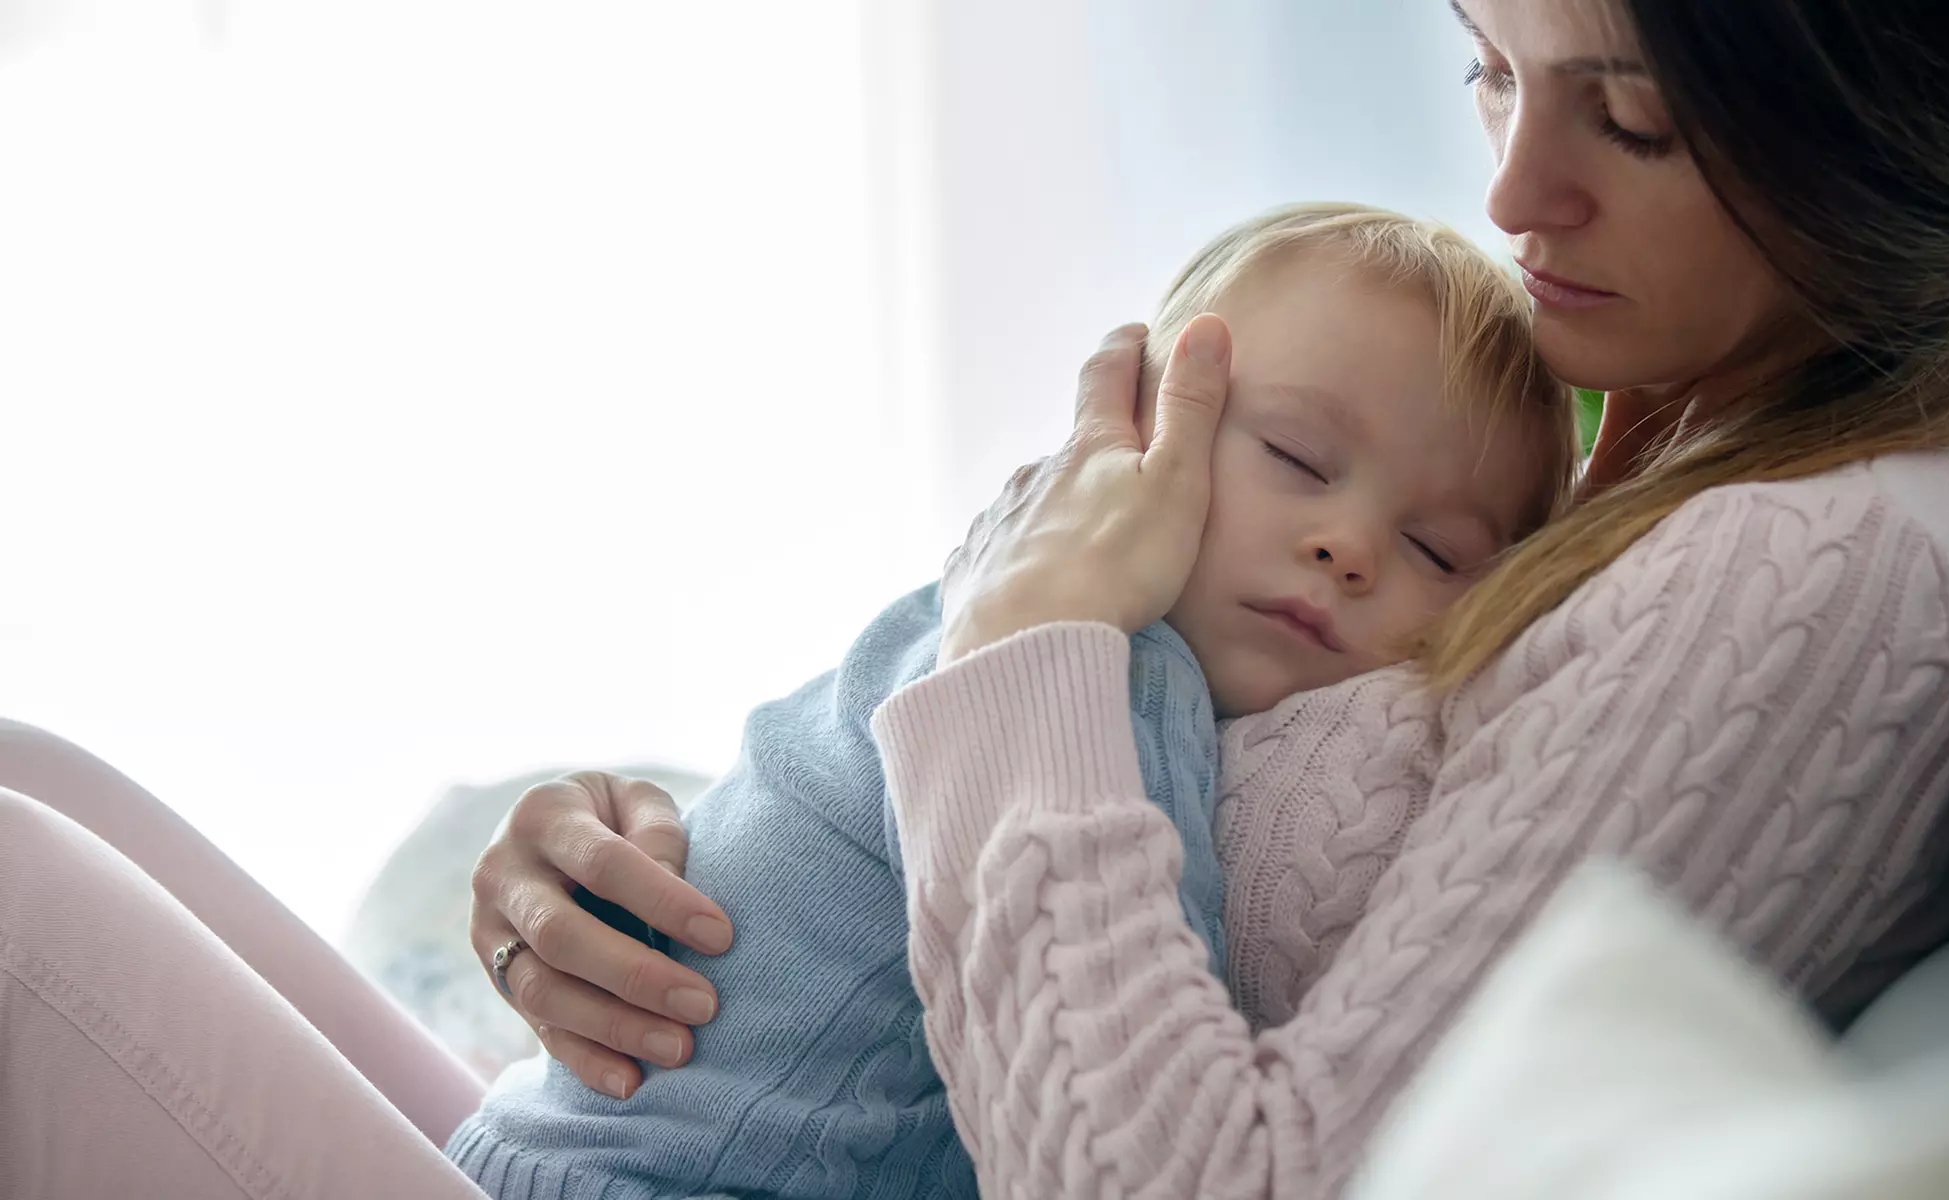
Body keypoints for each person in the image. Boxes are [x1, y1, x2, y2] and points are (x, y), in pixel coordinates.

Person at [475, 0, 1949, 1195]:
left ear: (1892, 131)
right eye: (1489, 65)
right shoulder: (1629, 437)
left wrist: (1026, 645)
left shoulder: (1805, 576)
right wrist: (666, 864)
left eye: (1635, 121)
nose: (1513, 191)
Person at [444, 202, 1577, 1199]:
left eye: (1436, 548)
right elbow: (1142, 1042)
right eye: (1293, 454)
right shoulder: (1097, 676)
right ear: (1132, 429)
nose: (1349, 546)